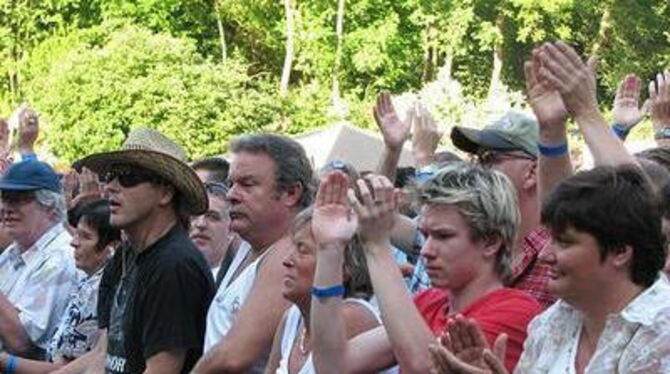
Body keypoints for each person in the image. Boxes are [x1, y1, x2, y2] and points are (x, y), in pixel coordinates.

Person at [430, 165, 670, 374]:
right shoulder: (551, 321)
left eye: (564, 242)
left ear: (620, 252)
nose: (544, 255)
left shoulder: (662, 330)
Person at [309, 163, 542, 374]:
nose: (426, 250)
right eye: (425, 235)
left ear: (491, 242)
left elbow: (423, 366)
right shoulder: (429, 302)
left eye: (443, 236)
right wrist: (329, 249)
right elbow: (333, 364)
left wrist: (377, 245)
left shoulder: (517, 310)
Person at [72, 128, 214, 374]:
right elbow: (102, 356)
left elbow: (161, 369)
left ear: (166, 193)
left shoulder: (174, 265)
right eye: (111, 175)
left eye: (128, 177)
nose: (111, 187)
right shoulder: (123, 257)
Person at [194, 134, 315, 373]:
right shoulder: (250, 243)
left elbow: (234, 357)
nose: (231, 195)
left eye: (247, 184)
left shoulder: (288, 256)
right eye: (231, 184)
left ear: (291, 193)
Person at [0, 199, 120, 373]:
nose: (74, 242)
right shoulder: (88, 283)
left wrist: (6, 362)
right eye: (76, 234)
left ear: (112, 248)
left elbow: (68, 367)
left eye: (85, 237)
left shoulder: (101, 289)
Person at [451, 111, 555, 308]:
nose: (476, 170)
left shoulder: (558, 259)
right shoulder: (473, 244)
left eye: (489, 159)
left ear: (532, 172)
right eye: (476, 159)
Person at [264, 206, 385, 373]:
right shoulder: (292, 318)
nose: (287, 260)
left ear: (342, 267)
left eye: (302, 250)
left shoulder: (351, 318)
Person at [0, 160, 78, 359]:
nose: (5, 208)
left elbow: (21, 341)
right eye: (4, 198)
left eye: (18, 199)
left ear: (50, 207)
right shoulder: (14, 252)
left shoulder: (60, 257)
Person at [190, 181, 236, 283]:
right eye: (194, 215)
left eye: (212, 217)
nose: (200, 224)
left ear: (231, 230)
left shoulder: (241, 281)